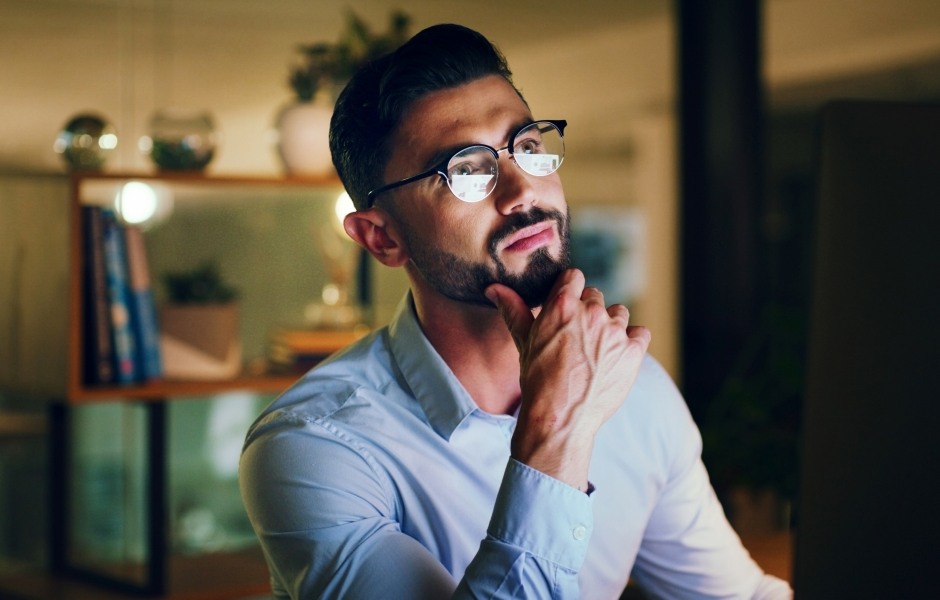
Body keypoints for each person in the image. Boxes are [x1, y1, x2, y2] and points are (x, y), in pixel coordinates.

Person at [239, 23, 793, 599]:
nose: (523, 189)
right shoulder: (313, 447)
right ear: (382, 239)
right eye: (466, 170)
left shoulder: (636, 388)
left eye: (526, 146)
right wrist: (559, 426)